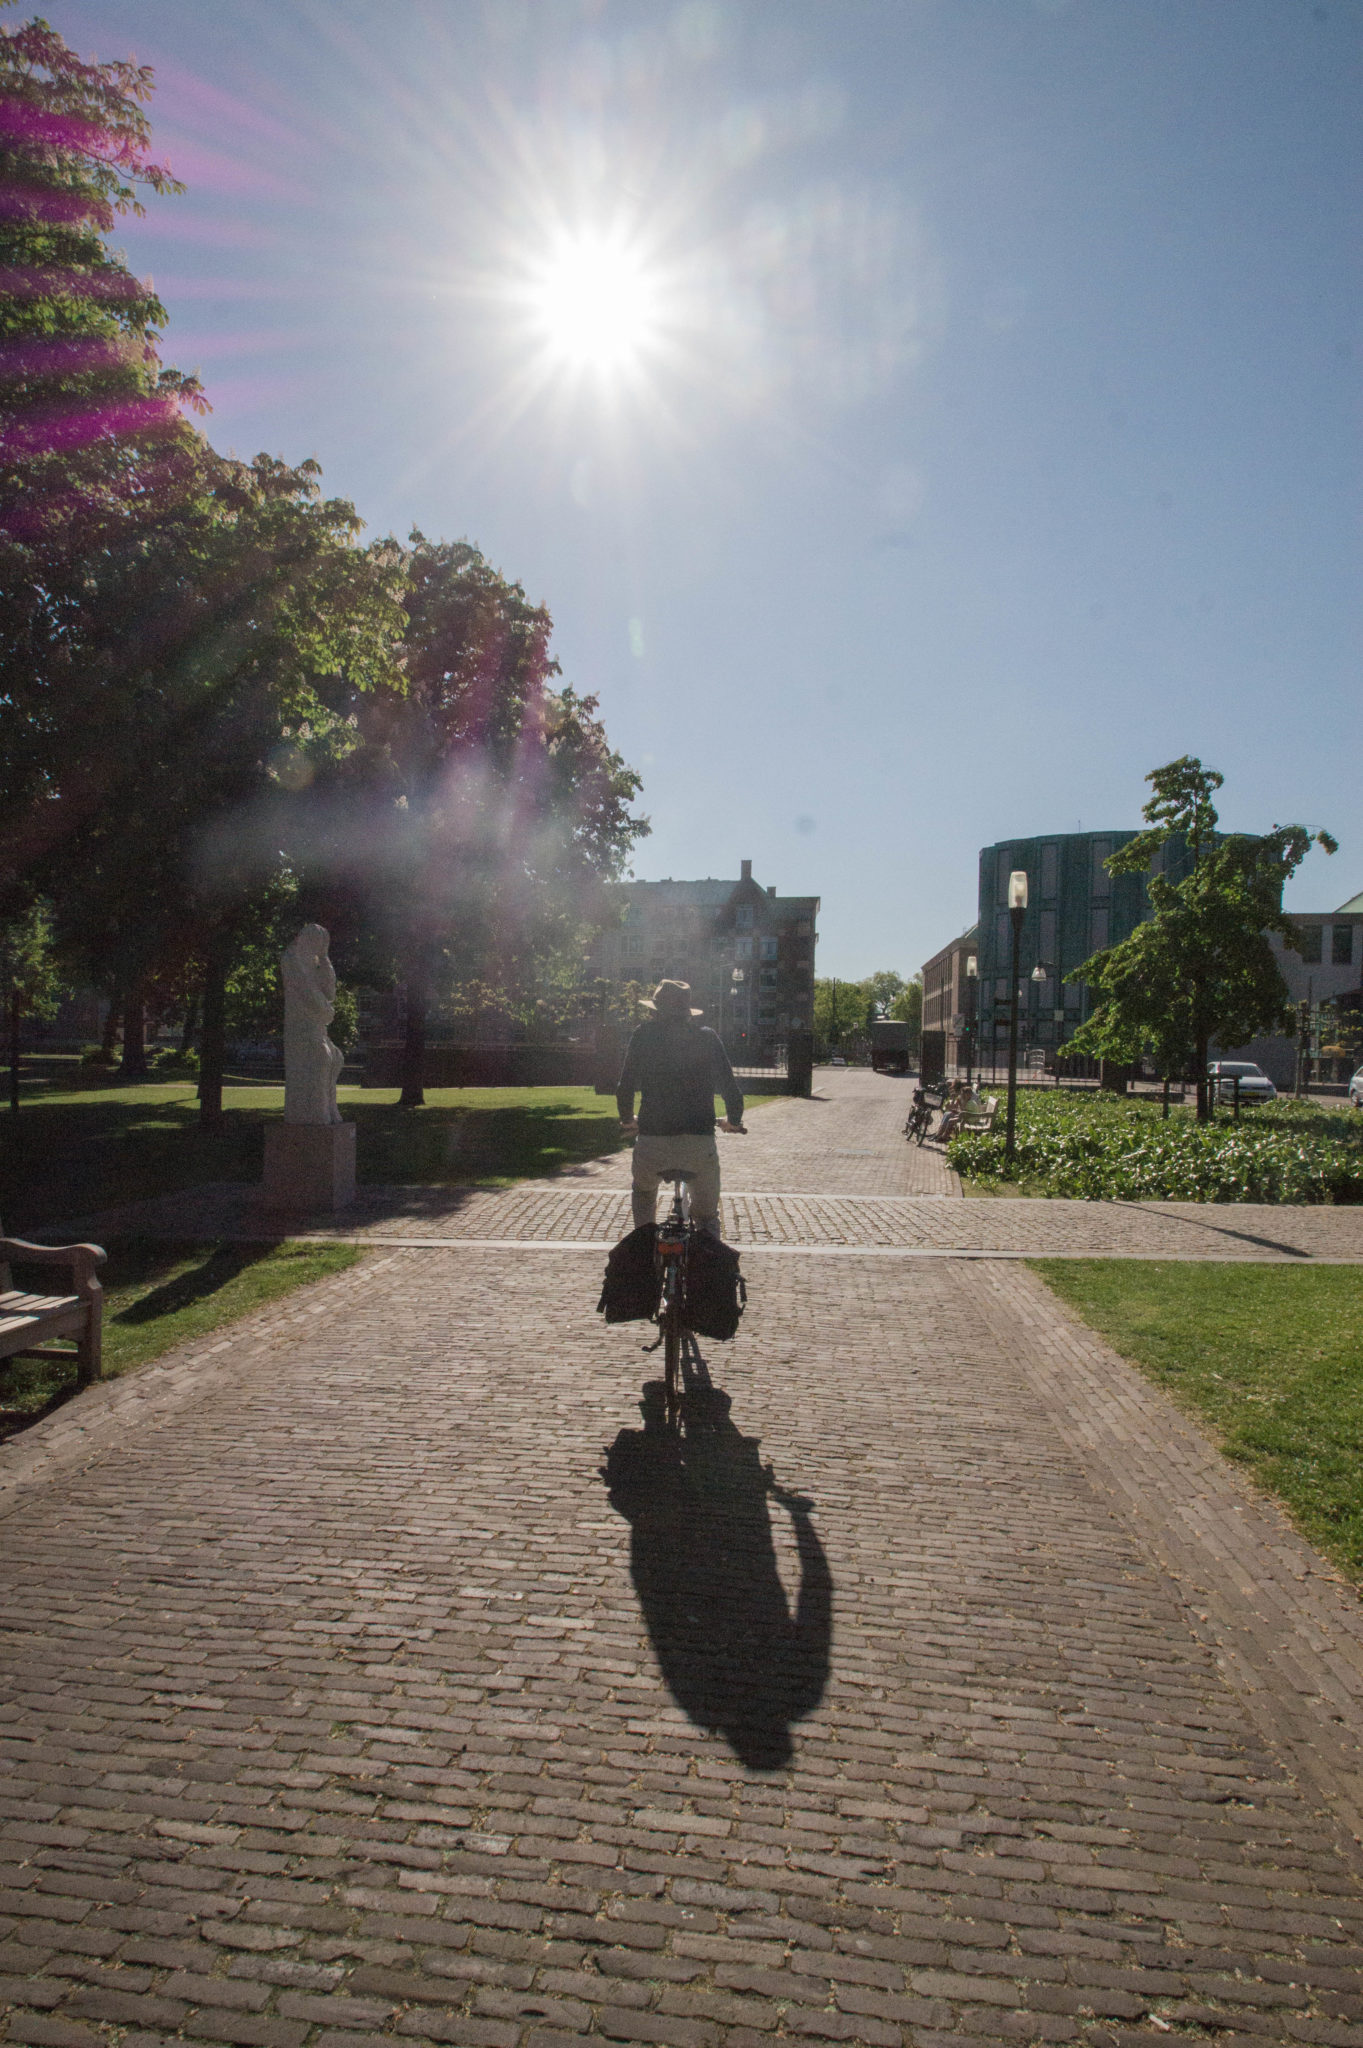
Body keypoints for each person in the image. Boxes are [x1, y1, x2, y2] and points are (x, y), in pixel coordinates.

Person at [617, 980, 745, 1234]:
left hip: (653, 1140)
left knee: (643, 1193)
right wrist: (734, 1120)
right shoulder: (707, 1038)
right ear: (687, 1013)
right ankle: (708, 1266)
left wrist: (627, 1118)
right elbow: (729, 1086)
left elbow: (626, 1084)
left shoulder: (642, 1035)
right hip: (698, 1142)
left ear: (654, 1010)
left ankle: (643, 1247)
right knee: (707, 1216)